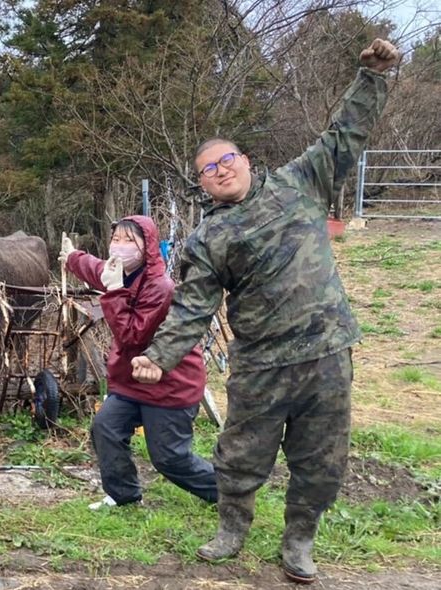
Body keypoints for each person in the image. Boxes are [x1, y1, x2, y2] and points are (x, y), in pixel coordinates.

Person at [130, 39, 401, 584]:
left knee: (321, 460)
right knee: (240, 454)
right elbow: (193, 306)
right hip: (259, 364)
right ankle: (232, 529)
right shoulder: (208, 237)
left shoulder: (302, 182)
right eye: (208, 169)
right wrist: (159, 356)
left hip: (326, 355)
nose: (220, 170)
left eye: (226, 159)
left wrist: (371, 77)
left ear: (246, 161)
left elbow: (345, 132)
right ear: (202, 184)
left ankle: (299, 540)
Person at [60, 217, 215, 509]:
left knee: (170, 459)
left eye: (130, 241)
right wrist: (71, 257)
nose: (120, 247)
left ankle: (230, 493)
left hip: (170, 383)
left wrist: (114, 291)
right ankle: (124, 496)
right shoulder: (118, 273)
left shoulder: (160, 287)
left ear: (148, 247)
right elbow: (95, 269)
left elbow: (132, 336)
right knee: (105, 427)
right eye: (116, 239)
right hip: (133, 381)